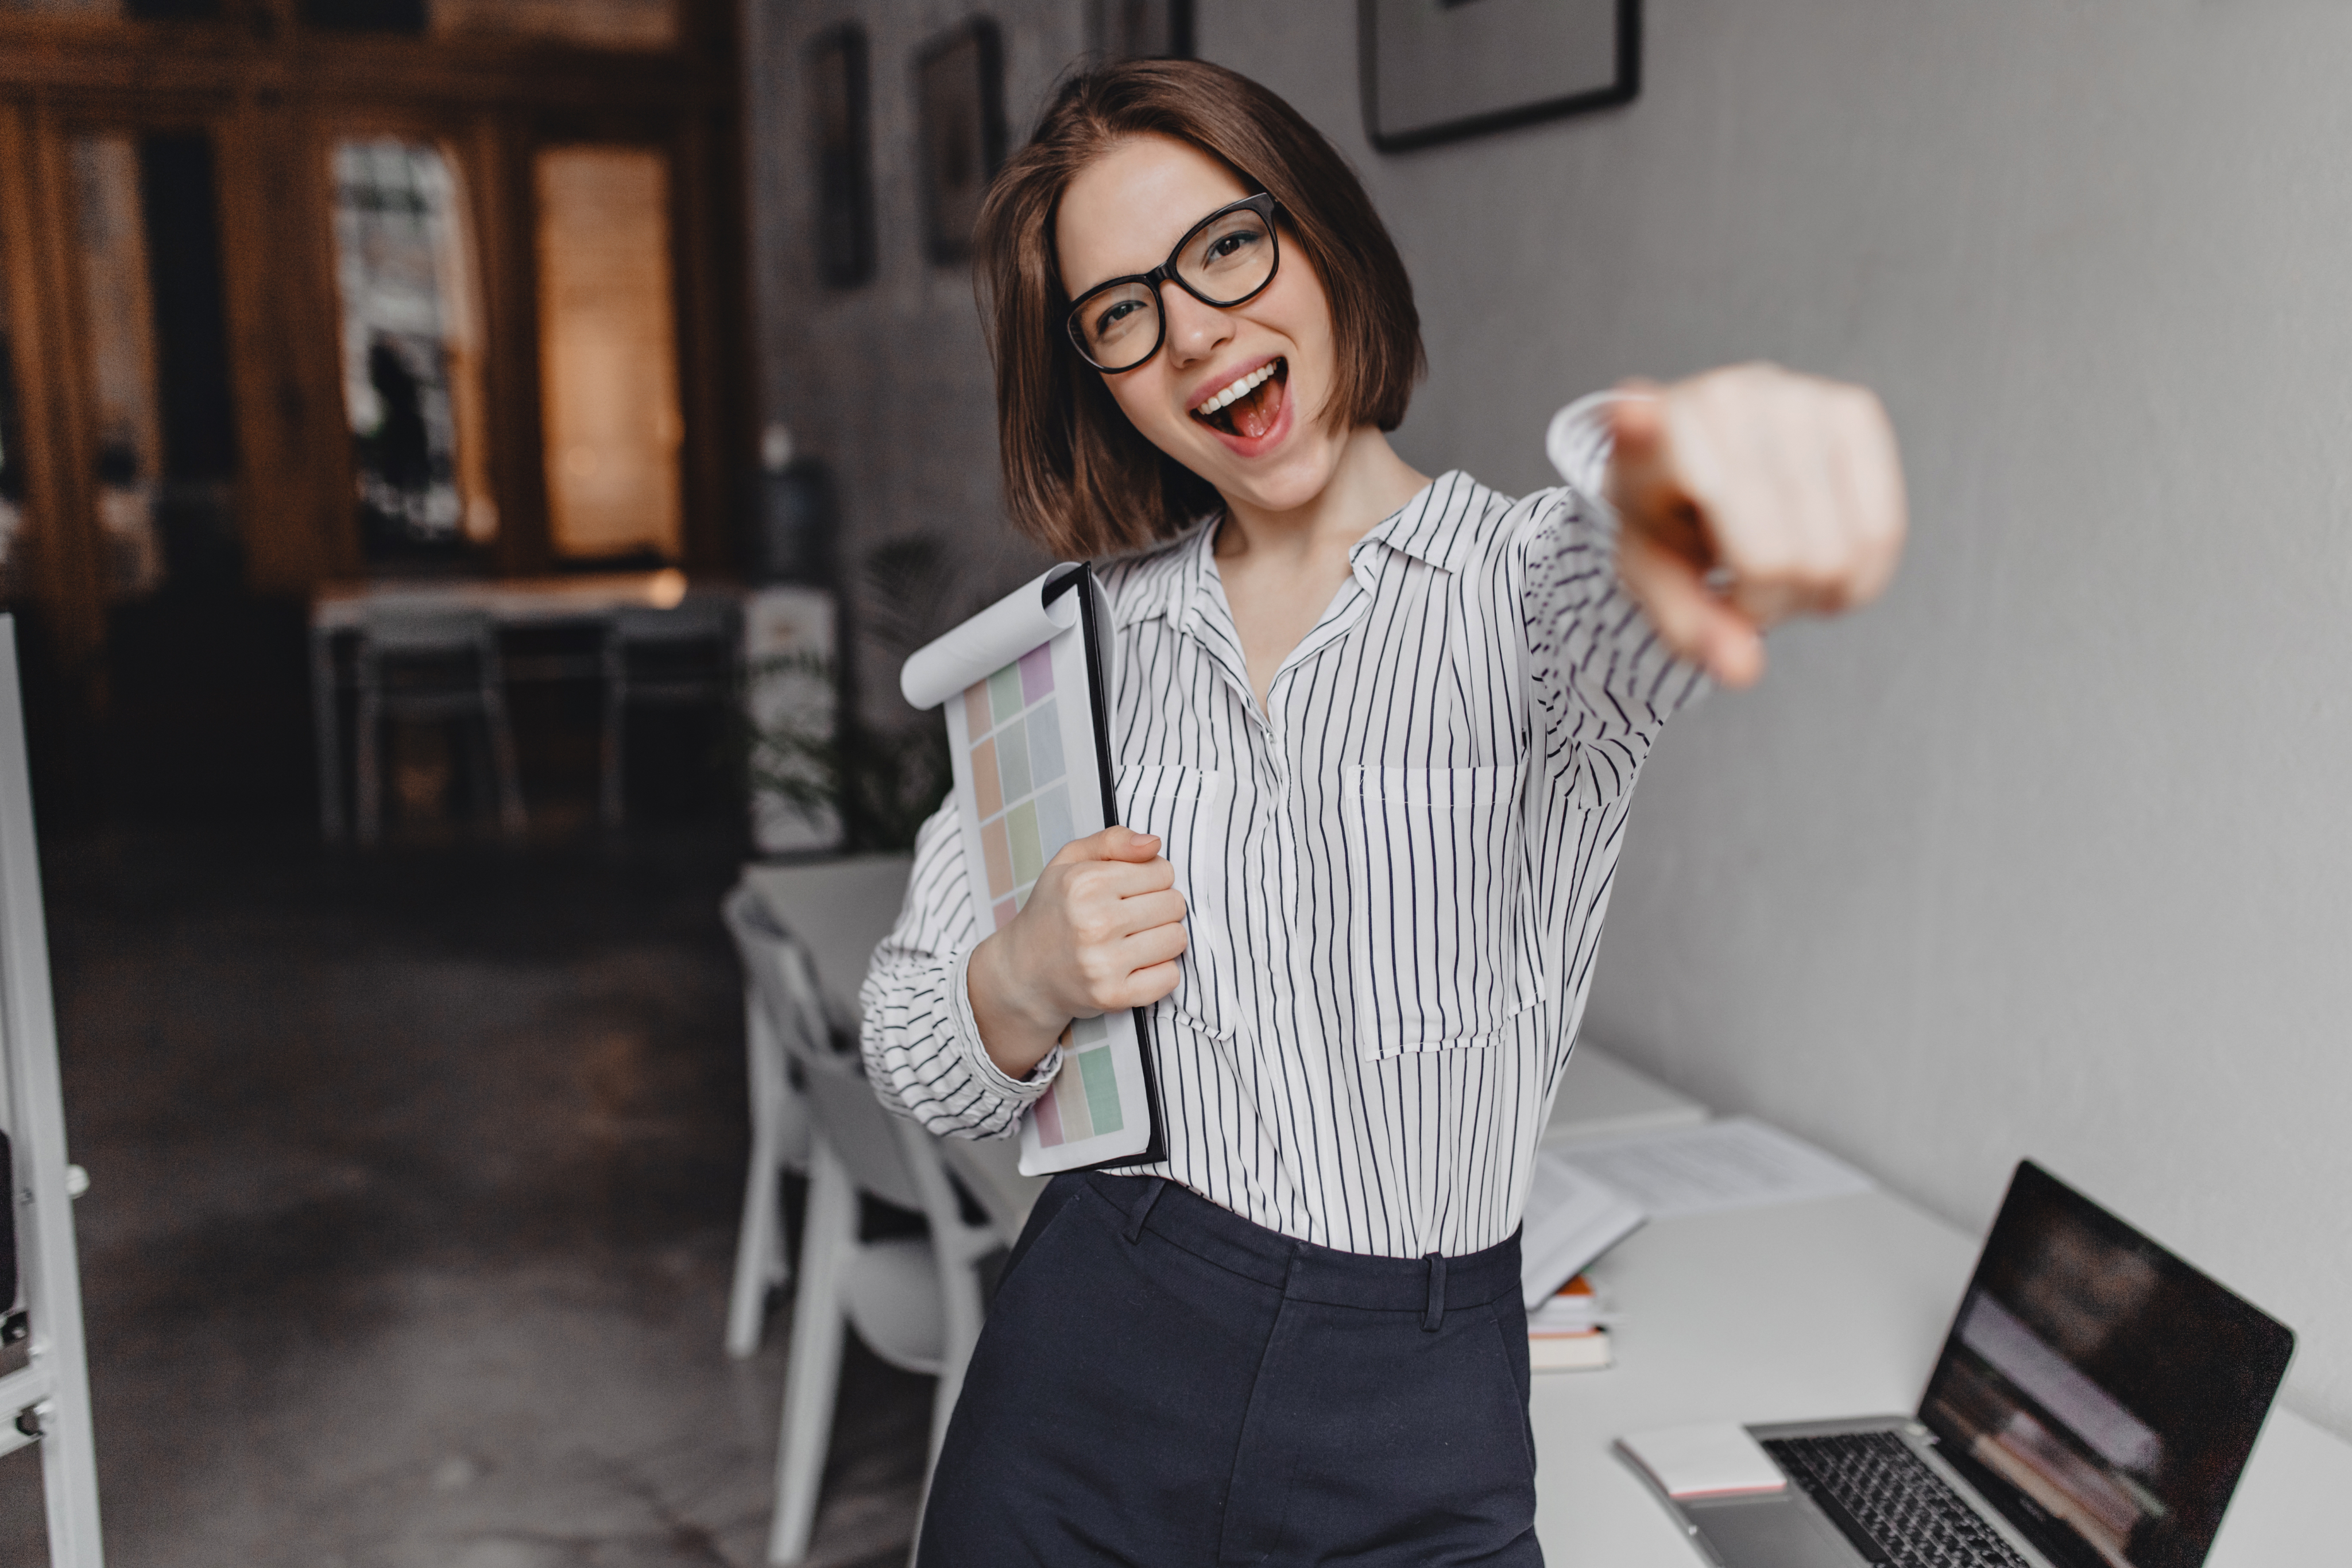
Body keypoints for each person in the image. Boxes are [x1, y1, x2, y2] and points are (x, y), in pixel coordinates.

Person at [861, 59, 1905, 1567]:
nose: (1197, 328)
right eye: (1122, 312)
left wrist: (1715, 482)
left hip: (1415, 1410)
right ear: (1098, 374)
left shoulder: (1526, 594)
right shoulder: (1070, 653)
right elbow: (914, 1052)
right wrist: (1020, 976)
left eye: (1227, 245)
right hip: (1090, 1359)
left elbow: (1646, 555)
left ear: (1324, 234)